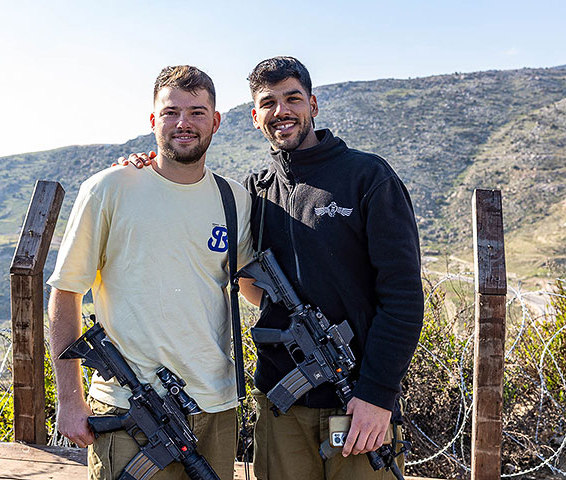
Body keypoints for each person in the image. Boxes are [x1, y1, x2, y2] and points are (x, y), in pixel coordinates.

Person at [126, 56, 424, 480]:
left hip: (358, 404)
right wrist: (142, 170)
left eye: (292, 98)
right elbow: (240, 272)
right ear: (254, 116)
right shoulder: (254, 192)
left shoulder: (367, 177)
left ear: (313, 105)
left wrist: (378, 395)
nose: (281, 111)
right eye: (268, 103)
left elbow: (404, 297)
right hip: (280, 408)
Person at [48, 65, 257, 480]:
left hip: (215, 406)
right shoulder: (109, 188)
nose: (184, 123)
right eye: (171, 112)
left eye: (197, 112)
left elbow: (248, 285)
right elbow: (66, 293)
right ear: (152, 120)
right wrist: (70, 400)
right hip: (131, 409)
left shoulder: (234, 199)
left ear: (215, 121)